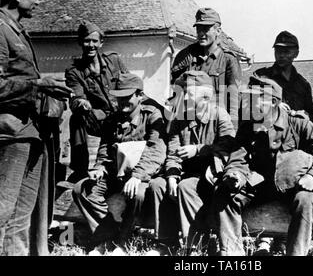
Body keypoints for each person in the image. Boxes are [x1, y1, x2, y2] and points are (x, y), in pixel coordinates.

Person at [213, 76, 313, 255]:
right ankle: (232, 253)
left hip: (292, 183)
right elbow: (238, 157)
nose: (248, 103)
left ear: (273, 101)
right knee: (224, 193)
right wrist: (236, 175)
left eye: (254, 99)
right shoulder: (248, 127)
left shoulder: (298, 123)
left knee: (305, 200)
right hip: (260, 182)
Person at [0, 0, 73, 255]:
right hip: (10, 134)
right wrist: (38, 85)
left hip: (30, 133)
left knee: (22, 214)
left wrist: (44, 88)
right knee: (4, 210)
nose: (38, 1)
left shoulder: (15, 28)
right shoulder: (1, 29)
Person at [73, 73, 166, 254]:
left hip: (143, 175)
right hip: (116, 174)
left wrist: (138, 176)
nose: (122, 102)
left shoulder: (152, 116)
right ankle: (107, 236)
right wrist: (99, 168)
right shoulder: (112, 120)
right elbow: (105, 149)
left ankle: (123, 242)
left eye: (127, 97)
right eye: (119, 98)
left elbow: (156, 150)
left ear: (140, 95)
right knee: (81, 189)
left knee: (138, 194)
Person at [150, 70, 238, 252]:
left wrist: (198, 150)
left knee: (186, 186)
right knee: (158, 184)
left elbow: (228, 145)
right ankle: (166, 243)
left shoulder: (220, 115)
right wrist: (172, 175)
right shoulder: (180, 118)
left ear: (205, 96)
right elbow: (173, 152)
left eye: (189, 93)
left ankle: (198, 246)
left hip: (210, 176)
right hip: (184, 172)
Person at [65, 20, 128, 182]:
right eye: (86, 41)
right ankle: (80, 169)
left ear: (101, 43)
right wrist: (81, 103)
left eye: (94, 41)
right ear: (80, 42)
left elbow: (129, 83)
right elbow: (76, 97)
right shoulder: (74, 72)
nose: (90, 45)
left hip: (123, 113)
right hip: (100, 118)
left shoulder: (114, 60)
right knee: (77, 118)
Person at [170, 7, 241, 129]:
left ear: (218, 31)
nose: (201, 34)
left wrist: (232, 129)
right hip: (188, 123)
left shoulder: (228, 59)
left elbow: (234, 100)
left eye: (206, 29)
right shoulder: (186, 56)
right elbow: (177, 92)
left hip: (215, 123)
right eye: (199, 29)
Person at [254, 31, 313, 125]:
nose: (281, 55)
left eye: (286, 52)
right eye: (278, 51)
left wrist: (303, 116)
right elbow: (248, 108)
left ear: (296, 54)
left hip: (294, 136)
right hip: (268, 135)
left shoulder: (303, 85)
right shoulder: (260, 77)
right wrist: (273, 106)